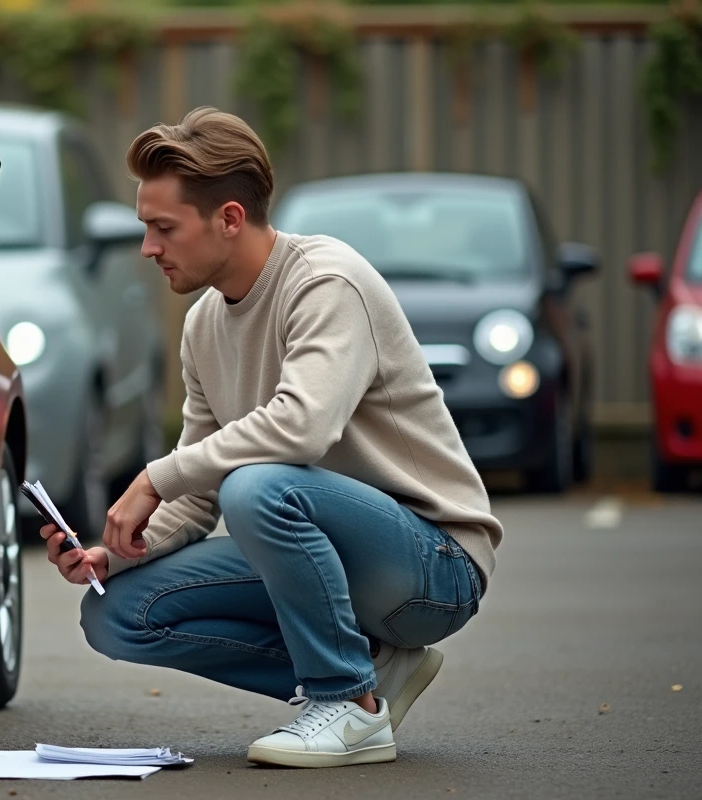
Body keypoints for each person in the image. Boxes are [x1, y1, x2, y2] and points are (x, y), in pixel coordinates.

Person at [40, 106, 503, 769]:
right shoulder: (203, 325)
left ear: (228, 218)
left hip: (432, 565)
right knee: (116, 613)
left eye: (163, 228)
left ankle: (348, 704)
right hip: (328, 560)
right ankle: (369, 668)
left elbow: (302, 427)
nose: (148, 248)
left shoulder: (326, 282)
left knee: (257, 486)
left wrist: (153, 476)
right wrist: (117, 555)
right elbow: (198, 500)